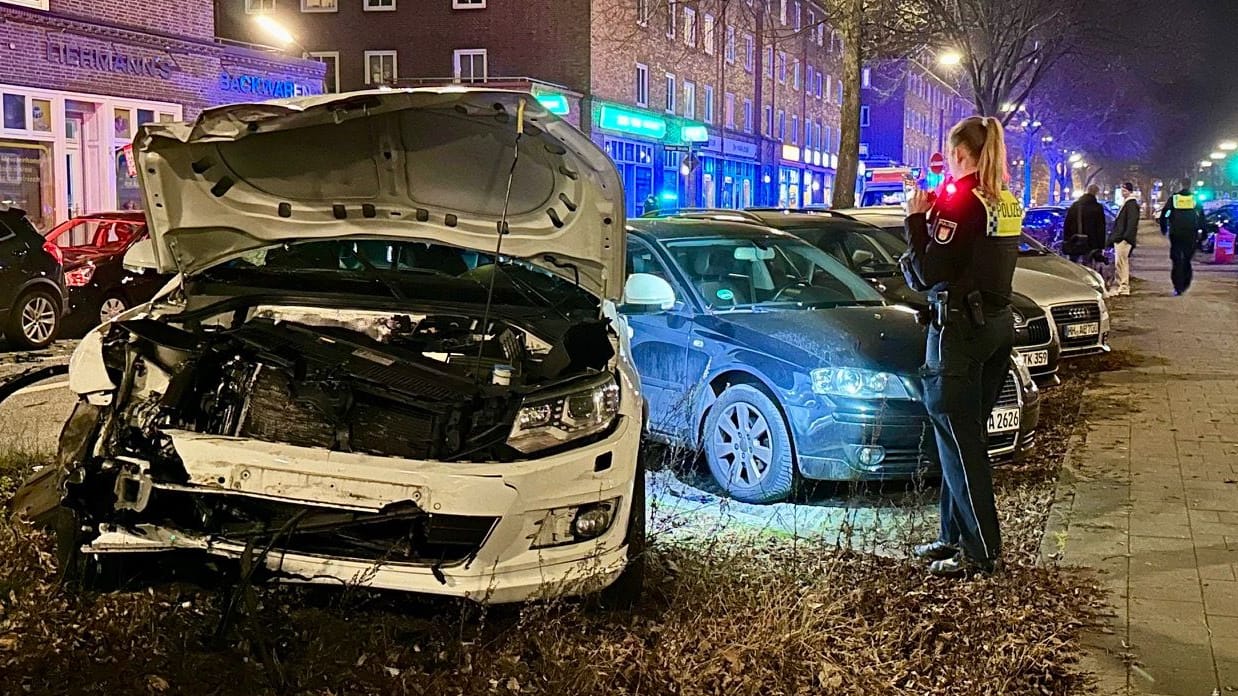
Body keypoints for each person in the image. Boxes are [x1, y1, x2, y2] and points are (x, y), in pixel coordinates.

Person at [901, 116, 1022, 577]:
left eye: (950, 155)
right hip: (995, 328)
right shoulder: (1003, 199)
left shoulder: (961, 202)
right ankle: (952, 537)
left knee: (959, 440)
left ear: (959, 154)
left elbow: (929, 273)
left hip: (959, 333)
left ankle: (981, 550)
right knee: (963, 437)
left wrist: (915, 220)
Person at [1159, 182, 1205, 295]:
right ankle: (1185, 284)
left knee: (1176, 259)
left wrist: (1164, 227)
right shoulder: (1194, 199)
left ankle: (1177, 286)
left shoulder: (1174, 199)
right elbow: (1201, 216)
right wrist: (1203, 232)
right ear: (1190, 186)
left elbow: (1165, 214)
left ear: (1180, 186)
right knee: (1187, 260)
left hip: (1176, 233)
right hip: (1190, 233)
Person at [1106, 183, 1140, 296]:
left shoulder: (1131, 204)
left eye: (1124, 190)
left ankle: (1124, 286)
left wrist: (1125, 237)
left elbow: (1131, 222)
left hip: (1123, 239)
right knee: (1119, 262)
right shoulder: (1128, 204)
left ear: (1129, 191)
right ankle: (1120, 284)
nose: (1122, 192)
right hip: (1121, 238)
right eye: (1122, 190)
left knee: (1121, 262)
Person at [1063, 185, 1108, 265]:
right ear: (1096, 193)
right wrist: (1101, 246)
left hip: (1075, 239)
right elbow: (1101, 228)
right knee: (1087, 265)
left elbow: (1067, 223)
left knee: (1073, 265)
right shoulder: (1097, 207)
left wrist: (1067, 239)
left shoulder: (1075, 206)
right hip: (1091, 243)